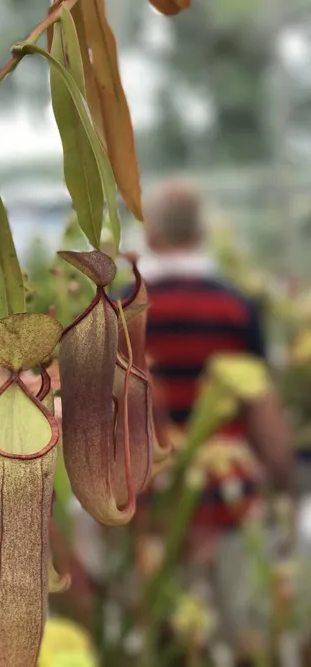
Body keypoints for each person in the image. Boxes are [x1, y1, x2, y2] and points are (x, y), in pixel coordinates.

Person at [126, 179, 294, 658]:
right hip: (228, 497)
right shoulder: (235, 306)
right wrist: (282, 484)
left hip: (146, 502)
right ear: (202, 231)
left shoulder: (124, 306)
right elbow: (263, 412)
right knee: (239, 634)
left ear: (151, 233)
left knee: (157, 639)